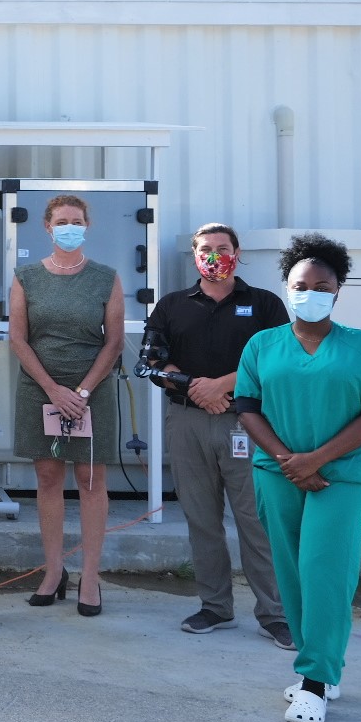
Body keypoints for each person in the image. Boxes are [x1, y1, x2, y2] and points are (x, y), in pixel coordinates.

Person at [235, 233, 361, 722]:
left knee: (326, 571)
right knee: (293, 574)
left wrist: (316, 460)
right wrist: (288, 460)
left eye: (322, 286)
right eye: (301, 285)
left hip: (341, 476)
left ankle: (316, 681)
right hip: (277, 473)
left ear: (339, 290)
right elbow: (248, 407)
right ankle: (319, 664)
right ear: (287, 287)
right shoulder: (262, 344)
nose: (311, 293)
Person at [140, 223, 290, 646]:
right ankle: (215, 606)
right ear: (194, 256)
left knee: (255, 521)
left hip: (248, 423)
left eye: (222, 248)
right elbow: (152, 361)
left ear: (237, 254)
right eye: (205, 248)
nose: (214, 256)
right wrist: (196, 389)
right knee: (201, 519)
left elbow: (279, 360)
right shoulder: (172, 305)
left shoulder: (264, 304)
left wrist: (222, 385)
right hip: (187, 421)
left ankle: (275, 614)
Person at [10, 194, 124, 617]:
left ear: (87, 226)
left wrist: (82, 392)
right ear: (47, 227)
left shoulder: (106, 278)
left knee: (91, 479)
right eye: (62, 221)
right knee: (47, 477)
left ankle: (90, 577)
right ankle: (53, 571)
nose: (69, 228)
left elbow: (114, 342)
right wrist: (53, 390)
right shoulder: (25, 277)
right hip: (40, 387)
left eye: (76, 221)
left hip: (92, 389)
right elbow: (19, 339)